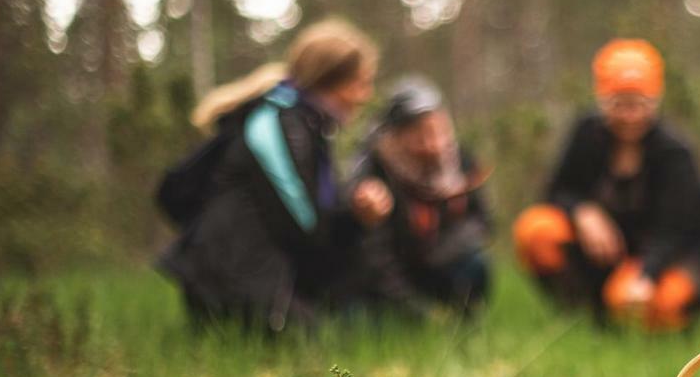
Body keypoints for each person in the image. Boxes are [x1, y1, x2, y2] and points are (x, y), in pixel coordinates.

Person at [157, 19, 392, 330]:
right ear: (331, 80)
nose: (365, 95)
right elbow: (304, 226)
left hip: (254, 277)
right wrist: (354, 219)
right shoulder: (279, 125)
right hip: (231, 282)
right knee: (315, 340)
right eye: (360, 83)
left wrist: (358, 217)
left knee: (356, 313)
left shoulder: (307, 125)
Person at [512, 39, 700, 331]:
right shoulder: (586, 134)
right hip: (616, 255)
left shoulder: (675, 153)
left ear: (654, 101)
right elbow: (556, 191)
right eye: (619, 104)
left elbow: (675, 229)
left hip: (678, 253)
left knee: (645, 302)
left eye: (638, 104)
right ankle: (583, 319)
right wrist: (583, 211)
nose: (629, 116)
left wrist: (647, 275)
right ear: (602, 100)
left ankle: (677, 323)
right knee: (536, 229)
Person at [348, 76, 492, 316]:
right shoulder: (374, 169)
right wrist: (415, 309)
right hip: (390, 274)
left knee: (475, 265)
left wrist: (437, 251)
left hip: (441, 263)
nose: (432, 144)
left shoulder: (460, 161)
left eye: (438, 131)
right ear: (396, 135)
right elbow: (373, 253)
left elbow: (483, 220)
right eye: (419, 135)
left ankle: (463, 316)